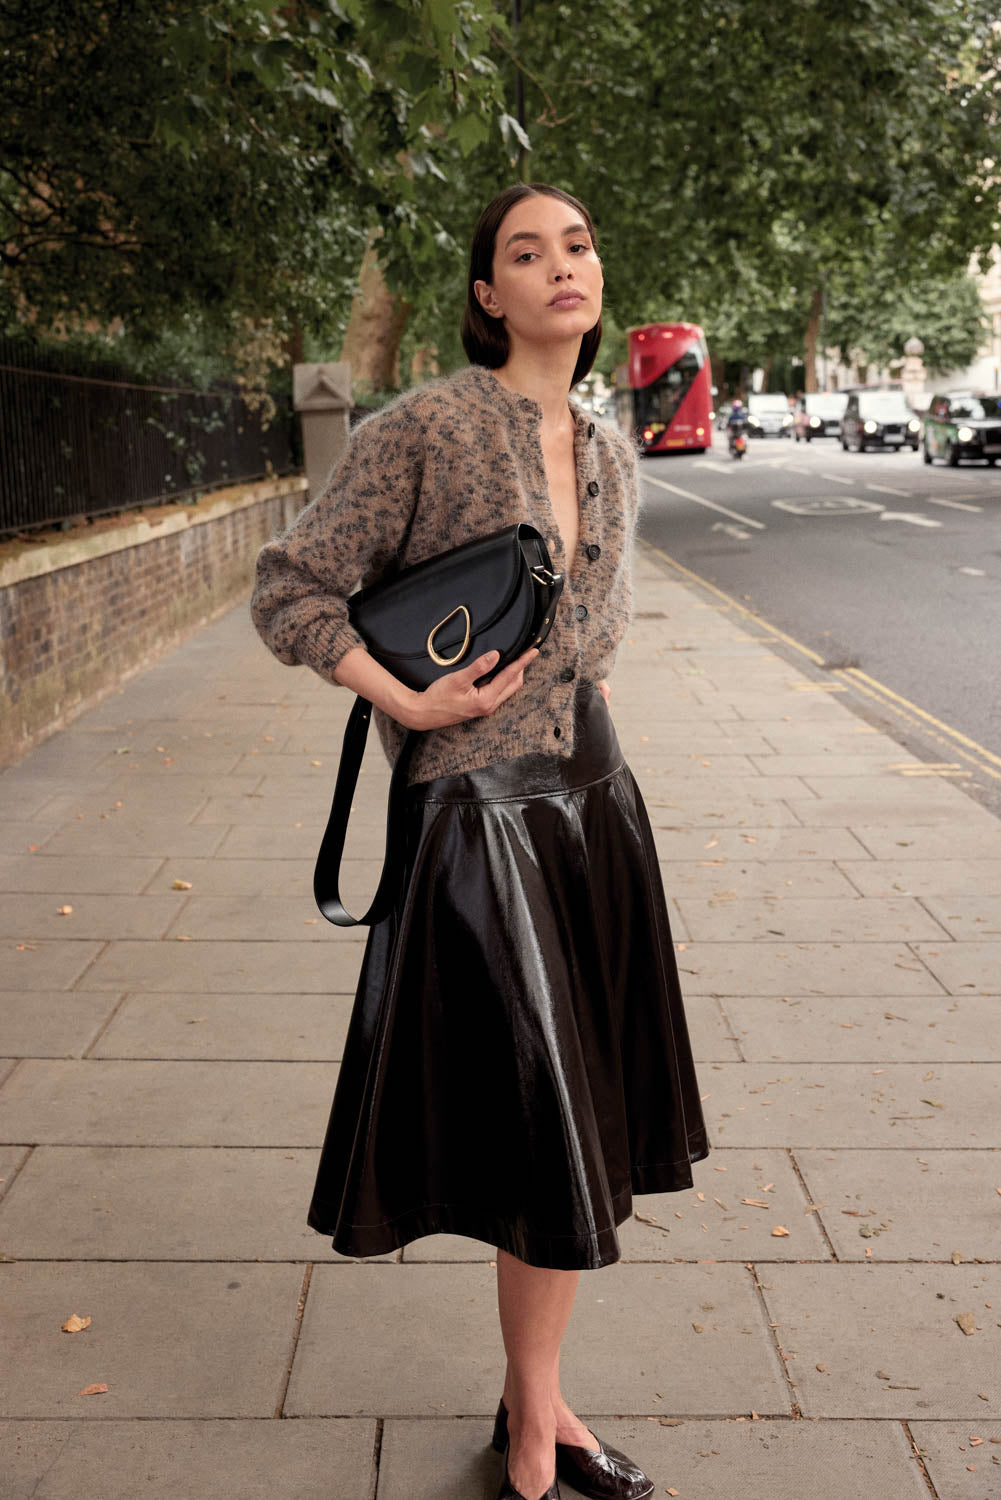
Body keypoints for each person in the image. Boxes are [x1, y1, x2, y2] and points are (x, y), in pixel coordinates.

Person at [251, 182, 710, 1500]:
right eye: (526, 251)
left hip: (588, 807)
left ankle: (538, 1409)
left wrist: (598, 755)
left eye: (576, 241)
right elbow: (288, 588)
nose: (561, 264)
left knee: (566, 1126)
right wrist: (402, 701)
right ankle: (532, 1434)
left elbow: (590, 640)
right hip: (472, 814)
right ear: (484, 295)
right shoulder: (424, 428)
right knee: (540, 1126)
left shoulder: (614, 444)